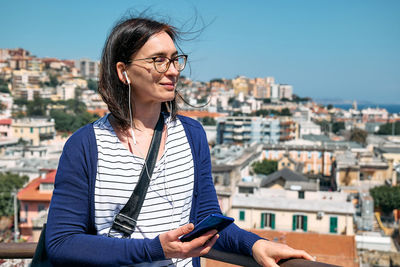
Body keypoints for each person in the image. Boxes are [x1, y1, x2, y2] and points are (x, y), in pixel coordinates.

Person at [45, 16, 314, 267]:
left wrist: (255, 245)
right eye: (158, 60)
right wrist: (156, 249)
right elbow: (61, 242)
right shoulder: (85, 146)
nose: (173, 70)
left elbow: (207, 218)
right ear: (123, 71)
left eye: (175, 60)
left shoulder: (192, 135)